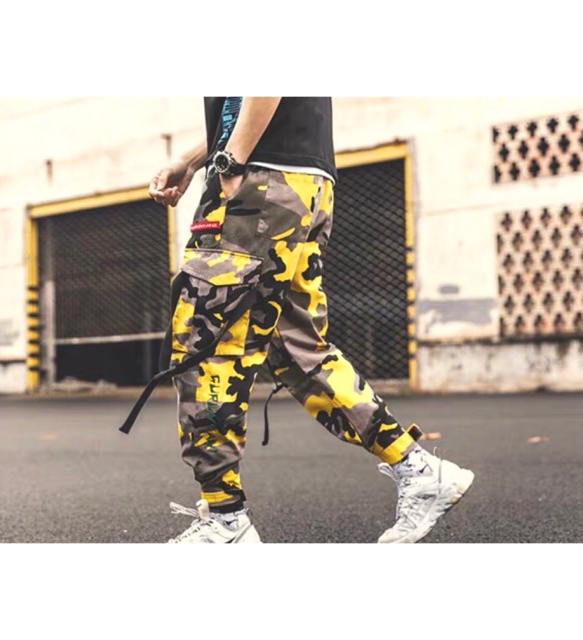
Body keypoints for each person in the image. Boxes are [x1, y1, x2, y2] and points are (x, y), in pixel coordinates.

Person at [141, 97, 474, 544]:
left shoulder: (245, 163)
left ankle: (225, 520)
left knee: (208, 346)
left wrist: (231, 160)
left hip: (259, 179)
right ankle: (418, 470)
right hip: (300, 182)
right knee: (295, 346)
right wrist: (192, 159)